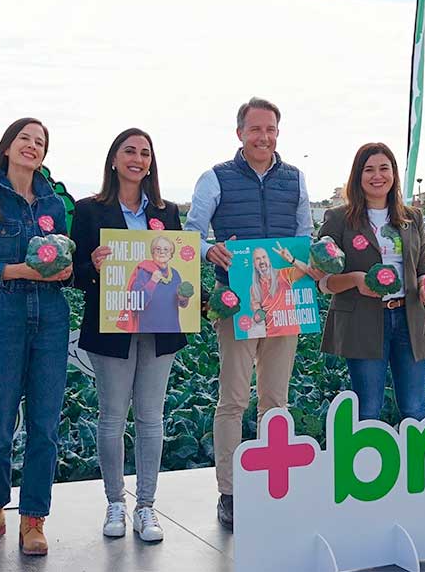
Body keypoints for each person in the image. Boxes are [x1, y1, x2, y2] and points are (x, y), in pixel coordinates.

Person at [184, 97, 315, 530]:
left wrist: (312, 261)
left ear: (278, 132)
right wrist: (210, 250)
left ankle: (273, 487)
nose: (263, 137)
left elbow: (304, 235)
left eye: (270, 129)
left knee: (275, 400)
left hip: (284, 304)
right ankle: (230, 492)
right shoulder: (215, 177)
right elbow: (191, 234)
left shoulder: (295, 180)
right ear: (239, 133)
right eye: (255, 129)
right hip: (236, 303)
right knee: (234, 399)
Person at [0, 118, 73, 556]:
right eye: (25, 138)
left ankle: (33, 519)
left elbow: (65, 262)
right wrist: (14, 270)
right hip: (5, 313)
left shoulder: (54, 203)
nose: (32, 146)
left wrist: (66, 271)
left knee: (45, 424)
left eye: (40, 142)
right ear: (7, 147)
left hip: (52, 317)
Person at [70, 127, 187, 542]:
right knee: (112, 418)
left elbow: (180, 270)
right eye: (129, 151)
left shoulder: (167, 213)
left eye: (144, 153)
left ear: (151, 163)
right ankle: (115, 502)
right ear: (114, 159)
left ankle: (147, 506)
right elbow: (73, 275)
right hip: (112, 328)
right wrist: (93, 266)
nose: (137, 159)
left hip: (159, 329)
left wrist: (196, 297)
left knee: (152, 418)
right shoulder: (88, 210)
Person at [317, 142, 425, 423]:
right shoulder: (339, 219)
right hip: (362, 320)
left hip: (409, 318)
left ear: (394, 174)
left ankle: (415, 453)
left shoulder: (412, 217)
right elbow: (323, 281)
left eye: (384, 168)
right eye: (369, 169)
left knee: (415, 409)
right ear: (357, 176)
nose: (377, 176)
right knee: (368, 410)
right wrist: (356, 280)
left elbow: (422, 269)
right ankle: (366, 453)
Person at [119, 235, 190, 333]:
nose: (162, 252)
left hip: (172, 329)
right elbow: (136, 304)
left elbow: (181, 304)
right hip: (148, 331)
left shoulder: (175, 274)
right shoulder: (143, 271)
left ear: (171, 254)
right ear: (152, 252)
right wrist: (152, 282)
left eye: (166, 249)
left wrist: (183, 299)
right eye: (158, 249)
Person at [249, 243, 309, 337]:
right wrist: (256, 317)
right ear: (254, 264)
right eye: (258, 259)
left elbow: (305, 271)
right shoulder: (254, 288)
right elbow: (258, 312)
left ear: (269, 260)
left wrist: (291, 260)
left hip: (290, 332)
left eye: (264, 257)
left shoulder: (283, 274)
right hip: (269, 334)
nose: (262, 261)